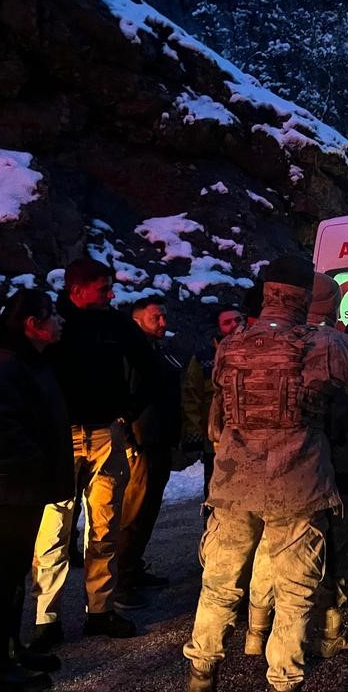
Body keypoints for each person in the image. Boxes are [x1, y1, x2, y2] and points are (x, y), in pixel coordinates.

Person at [182, 256, 348, 692]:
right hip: (299, 485)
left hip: (233, 487)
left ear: (267, 291)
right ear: (306, 296)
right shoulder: (332, 346)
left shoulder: (231, 344)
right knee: (294, 596)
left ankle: (199, 687)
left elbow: (216, 420)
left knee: (218, 587)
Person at [244, 275, 348, 659]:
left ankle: (258, 629)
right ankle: (328, 631)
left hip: (281, 468)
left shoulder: (264, 345)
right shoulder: (343, 347)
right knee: (334, 550)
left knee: (271, 547)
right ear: (334, 305)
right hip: (339, 466)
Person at [30, 258, 156, 650]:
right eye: (103, 288)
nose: (111, 294)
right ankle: (46, 618)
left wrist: (127, 412)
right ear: (77, 289)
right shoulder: (53, 324)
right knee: (54, 527)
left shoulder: (115, 324)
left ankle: (99, 610)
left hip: (105, 433)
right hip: (60, 437)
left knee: (105, 525)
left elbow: (149, 366)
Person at [0, 291, 71, 692]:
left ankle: (10, 650)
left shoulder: (27, 361)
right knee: (4, 574)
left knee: (14, 573)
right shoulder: (5, 365)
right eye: (53, 316)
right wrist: (31, 465)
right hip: (12, 488)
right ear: (33, 324)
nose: (60, 321)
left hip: (23, 487)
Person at [114, 296, 183, 609]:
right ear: (137, 319)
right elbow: (125, 396)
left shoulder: (157, 350)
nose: (164, 323)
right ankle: (120, 582)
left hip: (158, 440)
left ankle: (133, 567)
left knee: (148, 511)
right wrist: (129, 440)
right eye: (156, 317)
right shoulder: (129, 353)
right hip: (141, 444)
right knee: (134, 513)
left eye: (164, 316)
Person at [182, 306, 244, 493]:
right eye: (227, 322)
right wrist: (195, 435)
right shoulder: (204, 358)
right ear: (218, 328)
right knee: (216, 489)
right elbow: (191, 396)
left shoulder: (257, 353)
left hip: (249, 437)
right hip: (217, 437)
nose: (234, 325)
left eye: (238, 320)